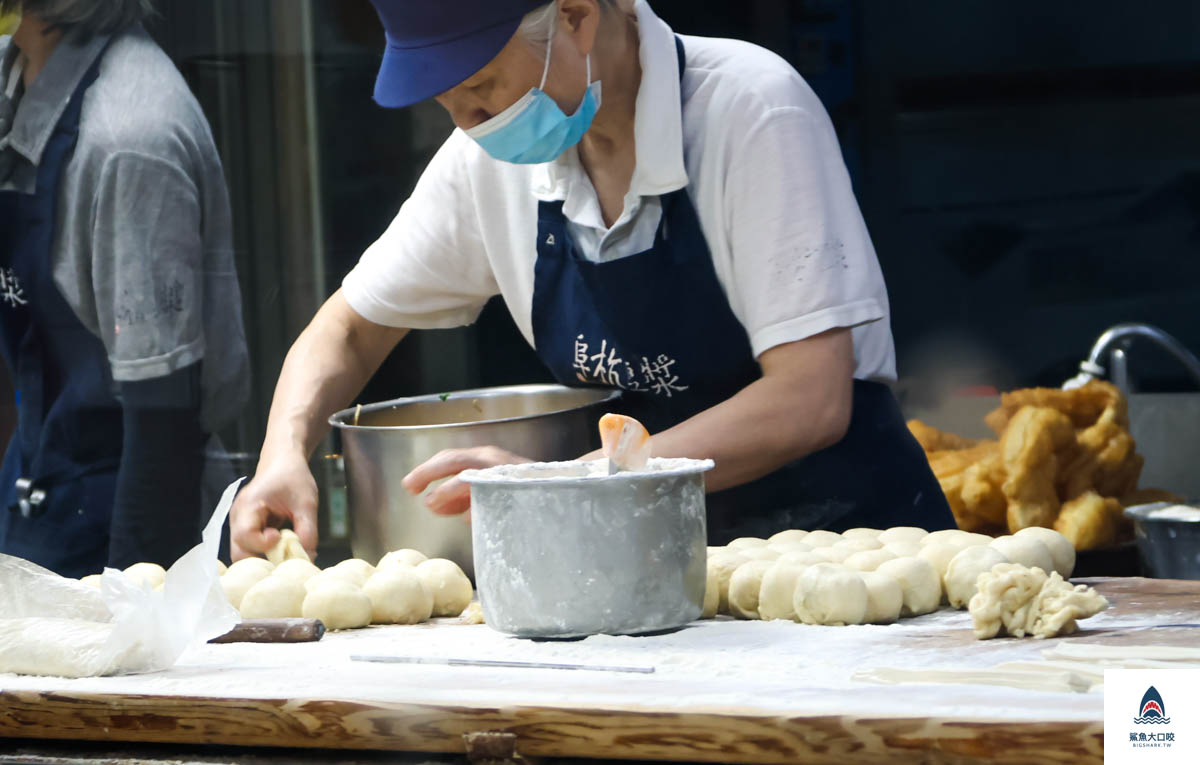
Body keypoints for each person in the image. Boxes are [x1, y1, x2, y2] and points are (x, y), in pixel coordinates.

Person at [231, 0, 953, 560]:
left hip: (850, 552)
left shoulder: (749, 110)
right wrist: (281, 453)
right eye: (447, 101)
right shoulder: (487, 163)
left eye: (481, 86)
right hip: (653, 577)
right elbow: (348, 328)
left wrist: (564, 482)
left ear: (573, 15)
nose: (470, 123)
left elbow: (809, 396)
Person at [0, 0, 250, 576]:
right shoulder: (20, 72)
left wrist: (136, 610)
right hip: (38, 487)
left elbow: (164, 421)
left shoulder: (130, 139)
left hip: (132, 517)